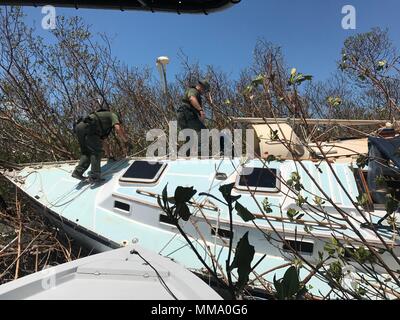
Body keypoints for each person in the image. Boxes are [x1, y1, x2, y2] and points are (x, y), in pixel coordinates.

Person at [72, 100, 131, 183]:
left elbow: (104, 141)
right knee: (96, 152)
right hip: (90, 128)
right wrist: (126, 140)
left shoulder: (101, 120)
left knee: (86, 153)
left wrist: (109, 156)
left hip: (79, 127)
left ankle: (77, 172)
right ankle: (95, 176)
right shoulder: (112, 115)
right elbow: (118, 128)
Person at [177, 79, 210, 156]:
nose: (203, 92)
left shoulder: (193, 91)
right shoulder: (194, 91)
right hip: (187, 113)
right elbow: (192, 98)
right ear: (202, 87)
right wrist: (200, 110)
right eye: (204, 89)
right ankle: (199, 151)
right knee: (203, 131)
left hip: (181, 115)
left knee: (189, 137)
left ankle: (185, 155)